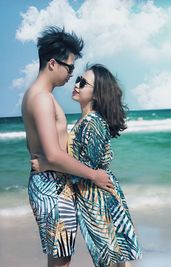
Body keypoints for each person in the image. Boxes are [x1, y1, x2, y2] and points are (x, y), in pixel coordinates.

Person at [32, 64, 142, 266]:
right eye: (78, 80)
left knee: (112, 259)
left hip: (99, 199)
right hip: (94, 196)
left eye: (83, 83)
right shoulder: (86, 121)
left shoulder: (92, 123)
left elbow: (85, 168)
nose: (77, 85)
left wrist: (47, 163)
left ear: (96, 93)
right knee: (116, 259)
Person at [22, 27, 114, 267]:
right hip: (50, 185)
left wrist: (46, 159)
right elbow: (52, 153)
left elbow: (42, 147)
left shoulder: (42, 95)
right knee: (61, 259)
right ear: (53, 63)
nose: (72, 74)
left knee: (62, 256)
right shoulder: (41, 98)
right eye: (70, 67)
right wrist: (94, 175)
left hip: (53, 181)